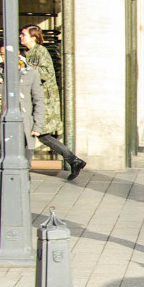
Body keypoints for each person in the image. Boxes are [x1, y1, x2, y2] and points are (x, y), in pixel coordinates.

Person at [20, 25, 85, 180]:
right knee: (41, 135)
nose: (20, 37)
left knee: (37, 133)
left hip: (44, 100)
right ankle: (73, 160)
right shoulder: (28, 53)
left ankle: (24, 170)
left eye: (23, 34)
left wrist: (26, 66)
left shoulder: (40, 51)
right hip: (33, 99)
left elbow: (47, 73)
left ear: (33, 37)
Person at [0, 46, 45, 162]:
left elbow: (39, 101)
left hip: (24, 123)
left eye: (8, 54)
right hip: (3, 123)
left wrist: (38, 126)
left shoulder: (30, 73)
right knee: (7, 161)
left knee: (25, 163)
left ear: (17, 53)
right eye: (2, 54)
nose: (5, 57)